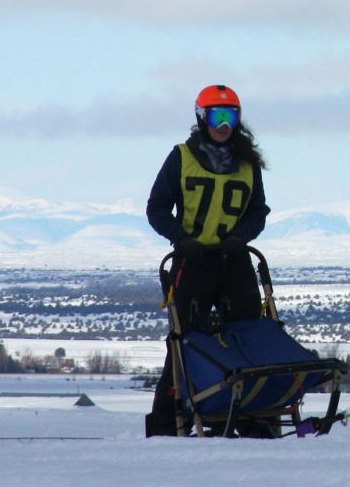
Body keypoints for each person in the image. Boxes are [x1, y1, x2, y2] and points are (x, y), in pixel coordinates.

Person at [145, 83, 270, 437]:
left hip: (234, 262)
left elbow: (258, 211)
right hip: (193, 263)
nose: (224, 124)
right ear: (202, 118)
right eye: (217, 116)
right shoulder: (181, 157)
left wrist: (239, 238)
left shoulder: (248, 163)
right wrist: (182, 240)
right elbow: (156, 208)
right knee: (184, 342)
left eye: (231, 116)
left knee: (248, 338)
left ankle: (253, 417)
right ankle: (169, 422)